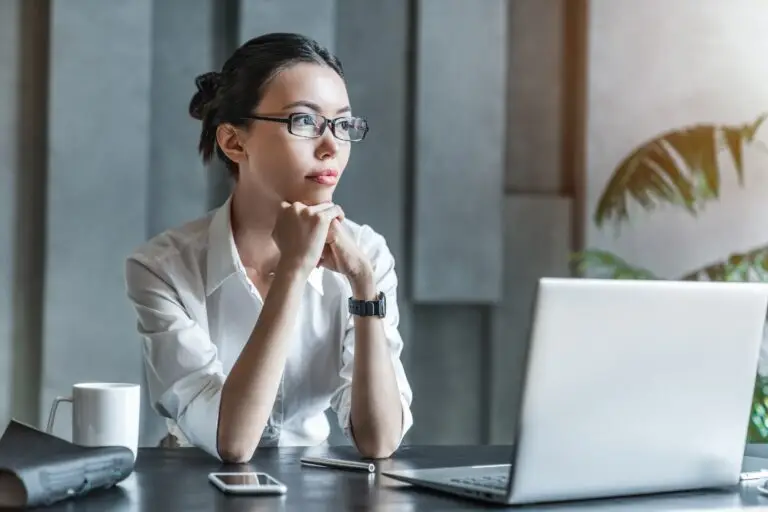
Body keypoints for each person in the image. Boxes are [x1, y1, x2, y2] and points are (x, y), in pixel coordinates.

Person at [124, 33, 413, 463]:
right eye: (305, 122)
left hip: (316, 489)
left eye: (342, 124)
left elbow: (380, 440)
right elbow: (233, 443)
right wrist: (293, 272)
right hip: (189, 487)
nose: (331, 145)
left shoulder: (365, 253)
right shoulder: (162, 269)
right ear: (234, 142)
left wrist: (364, 288)